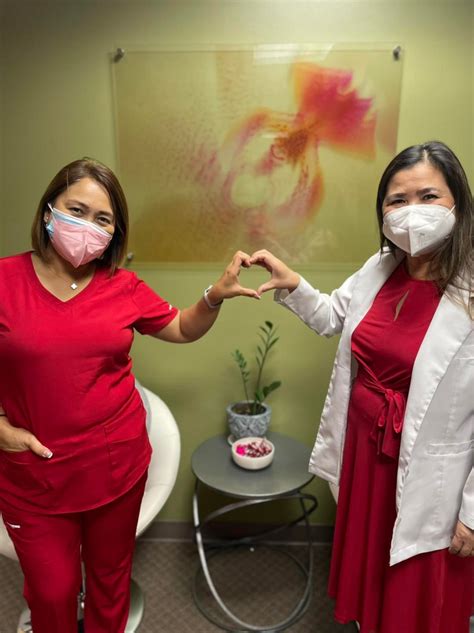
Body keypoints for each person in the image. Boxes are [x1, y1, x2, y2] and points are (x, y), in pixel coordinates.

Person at [0, 157, 259, 633]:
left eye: (103, 219)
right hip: (35, 481)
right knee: (51, 593)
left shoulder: (122, 286)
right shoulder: (4, 280)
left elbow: (180, 327)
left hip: (116, 470)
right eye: (76, 210)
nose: (87, 227)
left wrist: (214, 296)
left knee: (109, 584)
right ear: (48, 211)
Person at [249, 140, 473, 633]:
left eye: (428, 196)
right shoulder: (381, 267)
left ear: (458, 201)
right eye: (397, 200)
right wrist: (292, 284)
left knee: (418, 599)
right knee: (373, 578)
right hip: (366, 457)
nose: (412, 212)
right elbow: (334, 317)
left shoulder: (470, 291)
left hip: (432, 476)